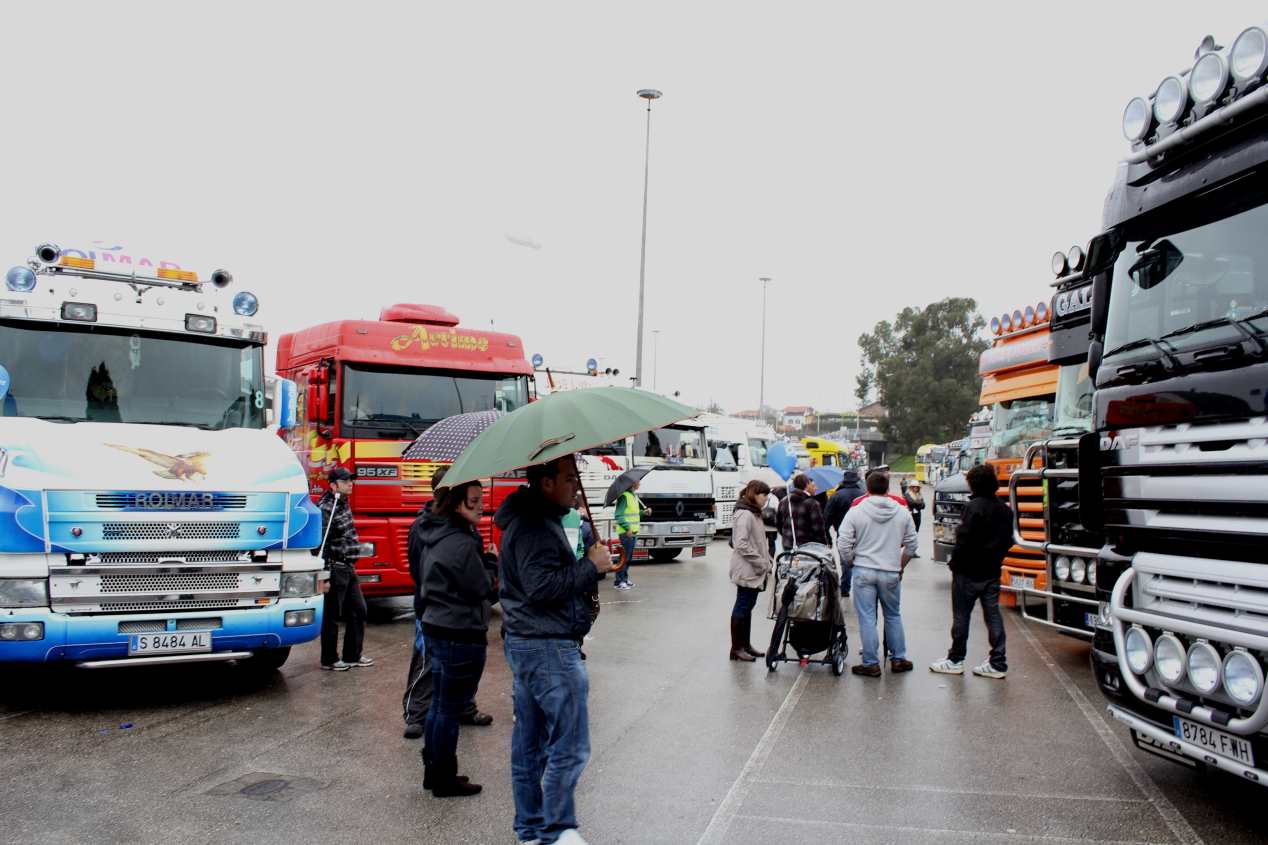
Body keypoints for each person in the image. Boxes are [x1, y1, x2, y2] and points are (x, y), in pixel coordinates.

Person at [496, 456, 616, 845]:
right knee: (571, 743)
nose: (575, 487)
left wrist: (591, 563)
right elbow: (542, 587)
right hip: (547, 648)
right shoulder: (533, 526)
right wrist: (590, 567)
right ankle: (557, 829)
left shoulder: (534, 518)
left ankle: (530, 829)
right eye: (568, 479)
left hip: (531, 643)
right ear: (546, 483)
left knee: (530, 746)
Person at [415, 477, 499, 797]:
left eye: (482, 498)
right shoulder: (461, 542)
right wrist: (491, 560)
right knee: (448, 709)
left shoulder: (434, 532)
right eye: (474, 500)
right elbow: (481, 588)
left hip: (436, 624)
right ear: (456, 502)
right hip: (458, 631)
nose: (481, 505)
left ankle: (435, 771)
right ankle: (444, 779)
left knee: (439, 706)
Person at [403, 466, 493, 740]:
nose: (479, 506)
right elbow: (421, 569)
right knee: (428, 663)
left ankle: (466, 707)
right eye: (472, 500)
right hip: (435, 610)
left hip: (463, 617)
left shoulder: (463, 527)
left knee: (459, 671)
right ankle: (415, 714)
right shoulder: (425, 526)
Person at [930, 464, 1014, 679]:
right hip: (992, 570)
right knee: (993, 616)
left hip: (967, 572)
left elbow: (964, 540)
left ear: (973, 484)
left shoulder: (973, 507)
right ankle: (998, 662)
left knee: (961, 616)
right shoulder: (1005, 509)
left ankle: (956, 659)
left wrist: (954, 563)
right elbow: (1008, 541)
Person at [837, 470, 918, 677]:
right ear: (888, 488)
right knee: (893, 615)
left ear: (867, 488)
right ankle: (898, 658)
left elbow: (843, 542)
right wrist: (901, 565)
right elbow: (911, 545)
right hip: (890, 570)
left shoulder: (856, 510)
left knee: (866, 617)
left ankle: (870, 662)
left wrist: (851, 561)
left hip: (864, 570)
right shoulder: (901, 512)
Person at [317, 467, 372, 671]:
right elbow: (320, 545)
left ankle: (352, 655)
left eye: (351, 480)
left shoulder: (343, 504)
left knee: (359, 610)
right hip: (335, 568)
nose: (351, 483)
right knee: (331, 615)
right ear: (333, 485)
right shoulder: (326, 509)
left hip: (348, 567)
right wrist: (324, 575)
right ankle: (329, 659)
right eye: (346, 481)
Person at [728, 480, 773, 662]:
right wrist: (761, 562)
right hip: (747, 568)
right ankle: (736, 648)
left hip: (754, 568)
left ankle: (745, 645)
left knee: (748, 607)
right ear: (754, 494)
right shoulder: (745, 514)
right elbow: (741, 544)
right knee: (742, 606)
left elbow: (758, 541)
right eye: (764, 496)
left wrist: (767, 560)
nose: (766, 500)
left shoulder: (754, 513)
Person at [823, 469, 865, 596]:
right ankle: (862, 587)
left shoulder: (836, 495)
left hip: (842, 532)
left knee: (845, 561)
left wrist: (828, 537)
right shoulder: (863, 494)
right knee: (861, 560)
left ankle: (845, 587)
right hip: (862, 533)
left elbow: (827, 517)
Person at [775, 473, 828, 549]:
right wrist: (823, 545)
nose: (816, 488)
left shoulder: (784, 501)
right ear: (807, 485)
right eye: (813, 485)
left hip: (788, 545)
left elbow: (778, 524)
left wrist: (787, 535)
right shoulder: (812, 504)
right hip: (808, 548)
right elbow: (818, 529)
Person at [612, 478, 647, 591]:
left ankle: (624, 579)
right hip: (626, 533)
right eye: (638, 481)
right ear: (632, 483)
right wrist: (627, 528)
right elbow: (619, 515)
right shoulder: (624, 497)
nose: (639, 483)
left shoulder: (633, 496)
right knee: (624, 557)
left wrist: (644, 513)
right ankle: (619, 581)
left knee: (628, 557)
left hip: (633, 532)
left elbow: (634, 515)